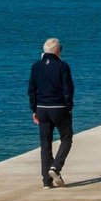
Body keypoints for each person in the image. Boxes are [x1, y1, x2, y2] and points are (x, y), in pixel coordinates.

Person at [28, 38, 74, 189]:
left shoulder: (36, 67)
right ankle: (55, 167)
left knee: (45, 144)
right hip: (59, 108)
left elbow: (32, 90)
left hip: (42, 108)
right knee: (66, 138)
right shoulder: (62, 66)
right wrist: (69, 106)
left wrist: (34, 109)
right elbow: (68, 88)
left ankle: (46, 181)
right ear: (57, 50)